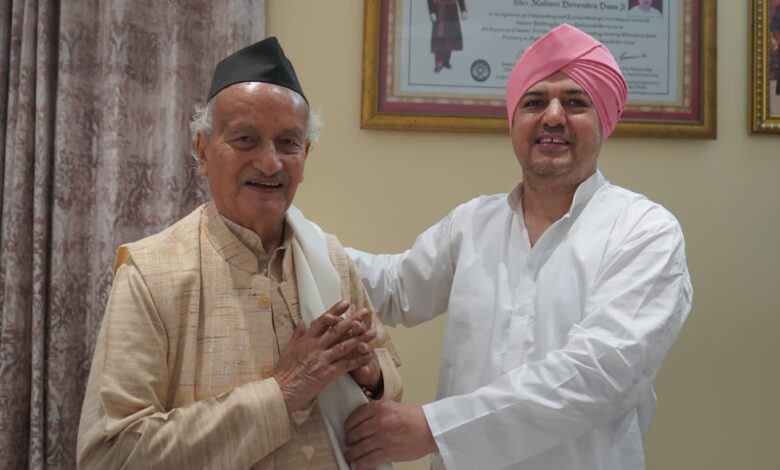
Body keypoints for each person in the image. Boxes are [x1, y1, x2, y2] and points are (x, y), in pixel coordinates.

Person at [343, 24, 691, 470]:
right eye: (534, 102)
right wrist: (291, 229)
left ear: (604, 120)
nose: (552, 116)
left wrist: (434, 429)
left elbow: (597, 376)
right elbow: (393, 289)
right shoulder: (473, 223)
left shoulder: (644, 231)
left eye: (575, 102)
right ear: (513, 121)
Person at [77, 37, 402, 470]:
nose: (270, 163)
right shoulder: (150, 274)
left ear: (306, 154)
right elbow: (111, 456)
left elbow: (390, 376)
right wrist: (282, 392)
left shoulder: (330, 259)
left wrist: (370, 373)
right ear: (202, 151)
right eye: (246, 140)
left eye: (288, 143)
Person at [428, 0, 467, 72]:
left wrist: (463, 10)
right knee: (439, 37)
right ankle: (439, 62)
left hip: (452, 10)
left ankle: (446, 61)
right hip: (439, 10)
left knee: (450, 37)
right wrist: (432, 12)